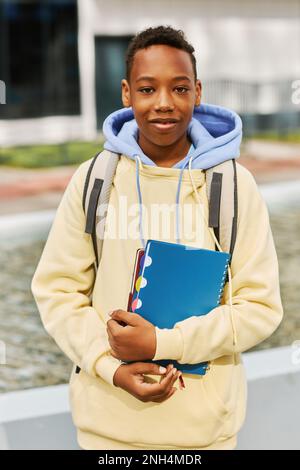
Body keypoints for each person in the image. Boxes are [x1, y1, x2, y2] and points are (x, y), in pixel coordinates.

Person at [31, 25, 283, 450]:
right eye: (148, 90)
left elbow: (260, 307)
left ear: (197, 92)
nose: (164, 103)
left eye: (179, 89)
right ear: (127, 94)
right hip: (106, 434)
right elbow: (57, 293)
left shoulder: (233, 186)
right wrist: (110, 366)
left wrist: (164, 343)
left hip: (202, 436)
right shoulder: (96, 180)